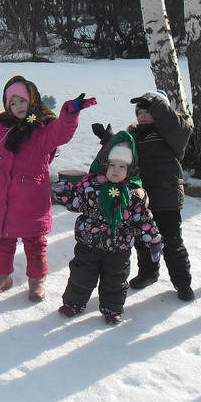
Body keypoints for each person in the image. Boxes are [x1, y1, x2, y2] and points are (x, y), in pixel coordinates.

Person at [0, 75, 96, 301]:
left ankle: (37, 279)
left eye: (22, 101)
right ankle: (2, 275)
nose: (18, 106)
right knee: (3, 239)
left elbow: (62, 131)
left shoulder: (42, 130)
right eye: (13, 103)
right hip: (4, 196)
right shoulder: (4, 127)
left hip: (32, 198)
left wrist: (70, 111)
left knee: (35, 242)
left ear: (33, 101)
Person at [53, 131, 161, 325]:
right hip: (89, 243)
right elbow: (76, 202)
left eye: (122, 167)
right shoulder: (90, 187)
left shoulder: (135, 195)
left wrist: (153, 241)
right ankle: (73, 303)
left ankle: (112, 309)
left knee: (115, 280)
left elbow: (143, 220)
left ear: (130, 169)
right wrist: (64, 193)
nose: (116, 171)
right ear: (104, 165)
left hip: (119, 248)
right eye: (112, 165)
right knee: (81, 275)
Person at [110, 89, 194, 301]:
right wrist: (107, 139)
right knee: (143, 240)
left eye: (148, 111)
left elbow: (177, 127)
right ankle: (148, 273)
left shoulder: (172, 135)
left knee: (172, 242)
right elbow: (119, 159)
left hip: (167, 198)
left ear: (161, 111)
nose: (142, 115)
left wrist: (156, 103)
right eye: (139, 112)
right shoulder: (134, 136)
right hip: (141, 199)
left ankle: (182, 282)